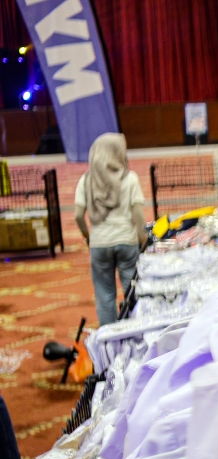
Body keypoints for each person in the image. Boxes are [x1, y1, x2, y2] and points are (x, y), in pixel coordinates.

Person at [74, 133, 145, 327]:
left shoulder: (86, 180)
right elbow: (138, 214)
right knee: (133, 290)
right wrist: (143, 239)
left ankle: (109, 338)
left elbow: (78, 215)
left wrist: (88, 236)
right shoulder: (130, 178)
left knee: (104, 295)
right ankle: (135, 330)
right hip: (126, 241)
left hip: (99, 243)